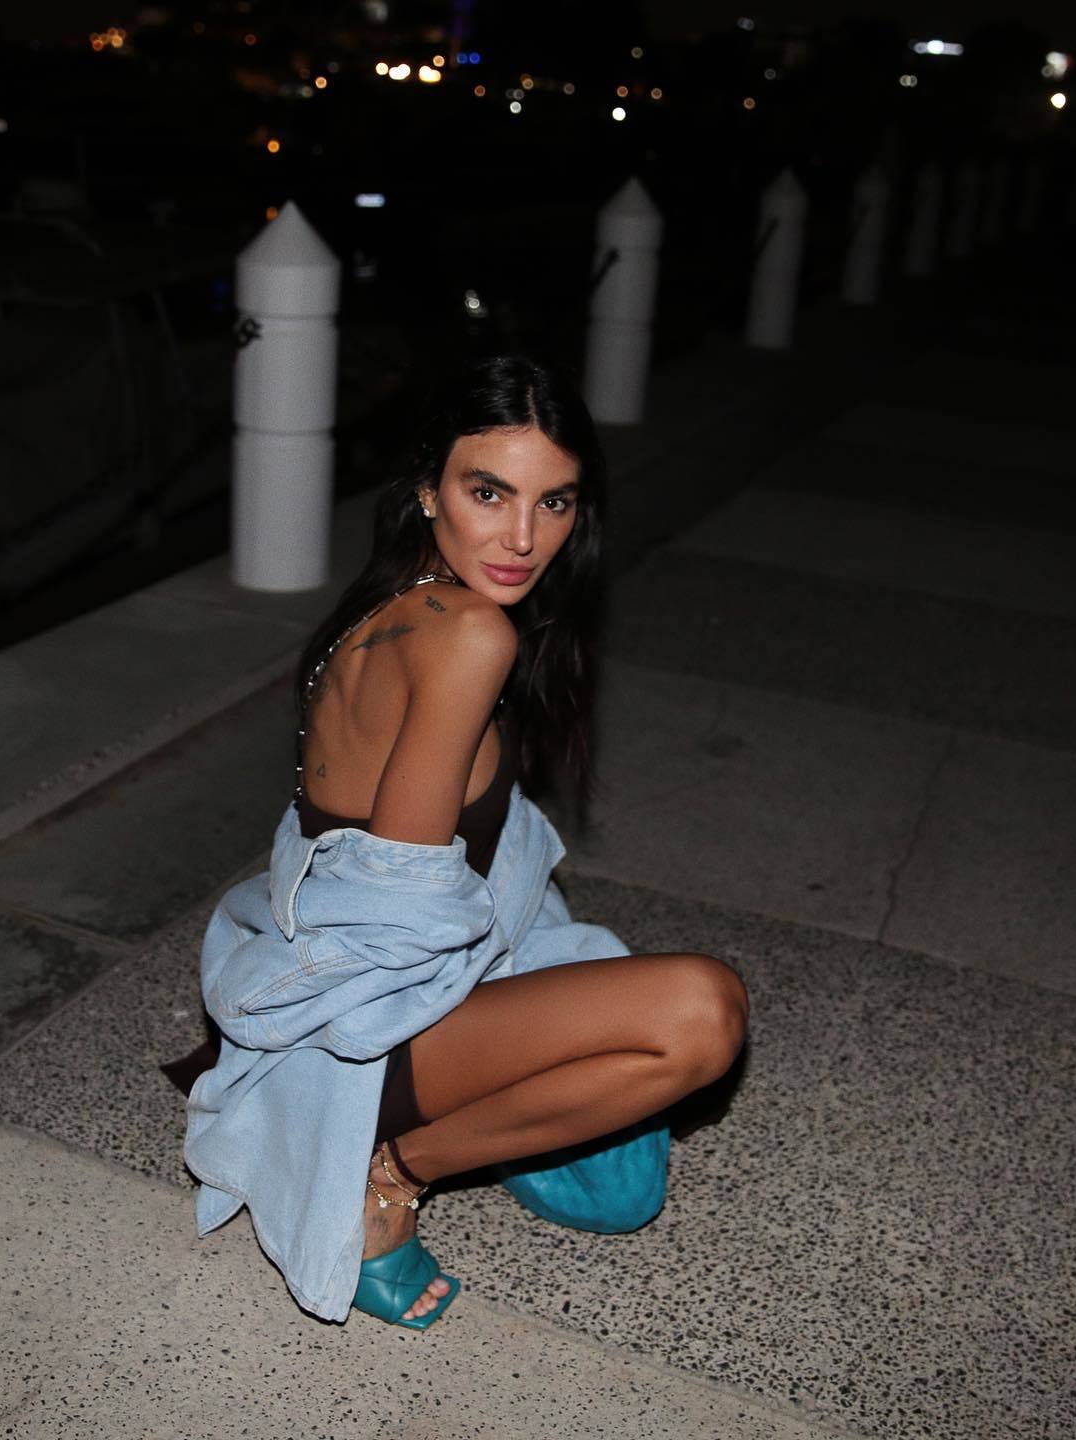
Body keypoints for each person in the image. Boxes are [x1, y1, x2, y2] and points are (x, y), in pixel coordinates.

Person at [183, 354, 748, 1330]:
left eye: (553, 502)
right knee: (702, 1013)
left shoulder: (398, 604)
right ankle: (389, 1177)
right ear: (426, 488)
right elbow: (399, 918)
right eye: (488, 492)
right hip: (367, 1030)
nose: (523, 538)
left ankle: (461, 1119)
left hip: (399, 992)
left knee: (621, 1190)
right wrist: (516, 1030)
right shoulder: (469, 635)